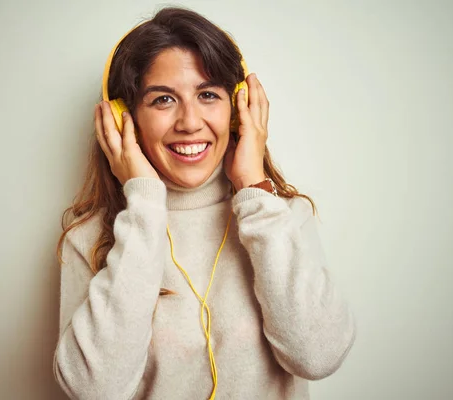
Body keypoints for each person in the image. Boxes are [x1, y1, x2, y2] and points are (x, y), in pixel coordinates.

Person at [53, 6, 355, 400]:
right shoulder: (89, 239)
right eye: (163, 100)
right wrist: (143, 206)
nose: (190, 122)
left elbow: (318, 357)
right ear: (123, 118)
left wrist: (252, 187)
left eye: (208, 94)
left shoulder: (281, 218)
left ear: (238, 109)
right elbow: (94, 390)